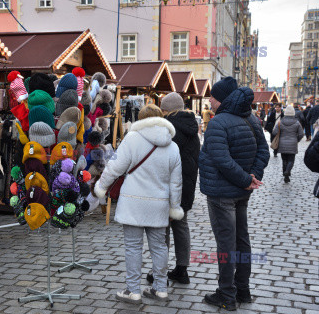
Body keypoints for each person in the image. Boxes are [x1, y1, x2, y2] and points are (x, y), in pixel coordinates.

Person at [94, 104, 184, 304]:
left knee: (133, 247)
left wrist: (101, 186)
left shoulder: (131, 139)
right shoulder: (173, 145)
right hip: (159, 204)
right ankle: (160, 288)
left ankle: (133, 290)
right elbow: (176, 182)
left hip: (133, 202)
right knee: (160, 248)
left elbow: (113, 167)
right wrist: (174, 206)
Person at [198, 77, 270, 311]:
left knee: (226, 244)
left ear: (223, 99)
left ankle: (227, 294)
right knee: (241, 240)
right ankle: (243, 289)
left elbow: (222, 160)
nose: (209, 99)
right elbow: (263, 151)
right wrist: (251, 177)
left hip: (222, 194)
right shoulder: (251, 118)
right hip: (241, 191)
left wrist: (247, 179)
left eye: (213, 96)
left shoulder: (218, 123)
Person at [144, 92, 199, 285]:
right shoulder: (192, 125)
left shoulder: (169, 128)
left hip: (168, 185)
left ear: (167, 110)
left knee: (163, 228)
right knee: (181, 225)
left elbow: (162, 160)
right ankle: (182, 270)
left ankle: (160, 271)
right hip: (187, 184)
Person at [272, 105, 304, 183]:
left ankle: (285, 174)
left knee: (284, 160)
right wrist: (297, 140)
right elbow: (301, 134)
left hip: (282, 143)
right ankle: (288, 171)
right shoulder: (297, 123)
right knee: (291, 160)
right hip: (293, 143)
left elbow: (274, 132)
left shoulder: (280, 122)